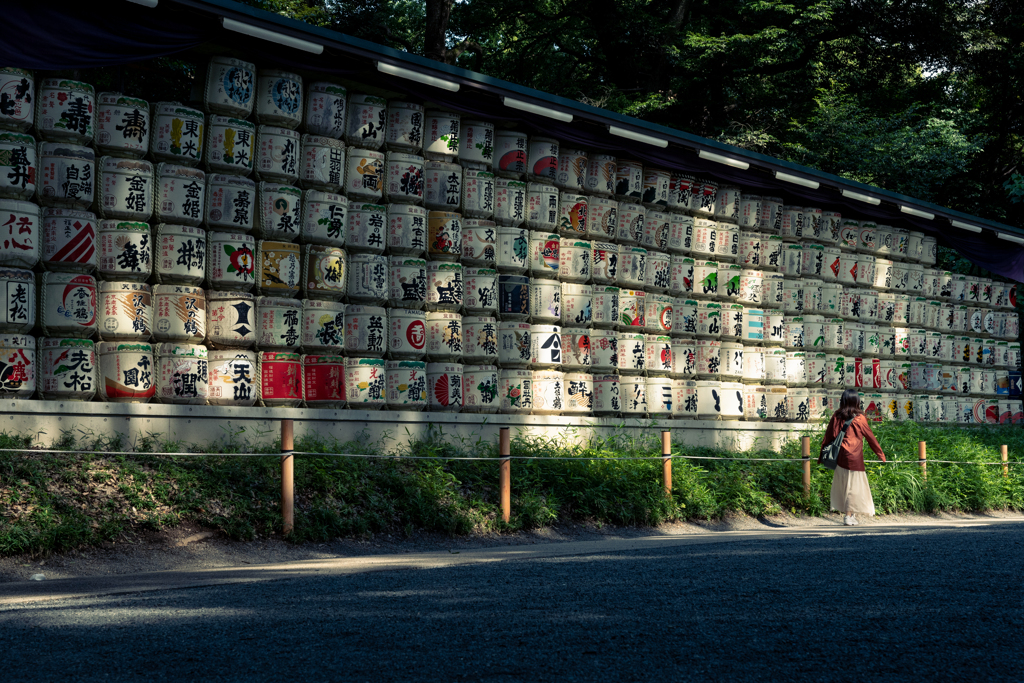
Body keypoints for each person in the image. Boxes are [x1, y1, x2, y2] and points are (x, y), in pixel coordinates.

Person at [819, 388, 886, 526]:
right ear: (856, 401)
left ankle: (851, 514)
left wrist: (822, 456)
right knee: (854, 488)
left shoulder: (836, 416)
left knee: (844, 485)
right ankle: (848, 516)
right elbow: (870, 437)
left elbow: (828, 437)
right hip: (854, 457)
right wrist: (880, 453)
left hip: (840, 456)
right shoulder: (860, 418)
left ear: (843, 400)